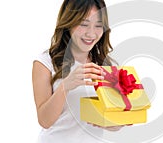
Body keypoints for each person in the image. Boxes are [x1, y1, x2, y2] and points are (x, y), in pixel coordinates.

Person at [32, 0, 123, 142]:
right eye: (84, 24)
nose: (91, 33)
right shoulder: (45, 62)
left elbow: (112, 123)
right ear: (68, 22)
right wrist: (65, 86)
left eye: (98, 26)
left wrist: (119, 121)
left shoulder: (105, 66)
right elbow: (44, 120)